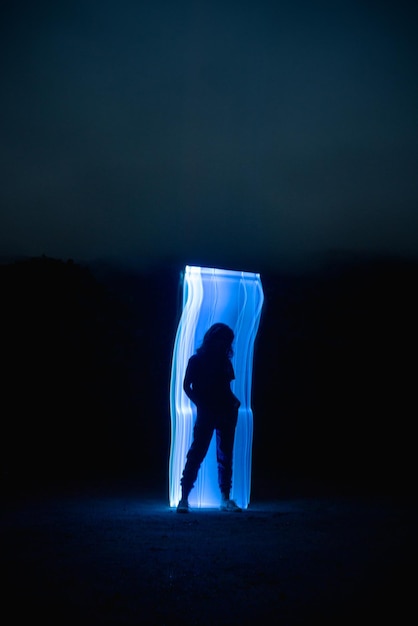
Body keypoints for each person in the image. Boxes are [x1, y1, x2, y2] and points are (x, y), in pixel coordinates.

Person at [177, 323, 242, 513]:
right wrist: (201, 404)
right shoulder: (197, 360)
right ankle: (184, 498)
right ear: (213, 339)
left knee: (223, 456)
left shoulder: (222, 362)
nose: (225, 344)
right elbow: (186, 386)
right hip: (210, 412)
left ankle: (224, 498)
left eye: (227, 341)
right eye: (222, 340)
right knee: (198, 453)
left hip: (224, 411)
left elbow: (224, 388)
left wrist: (233, 403)